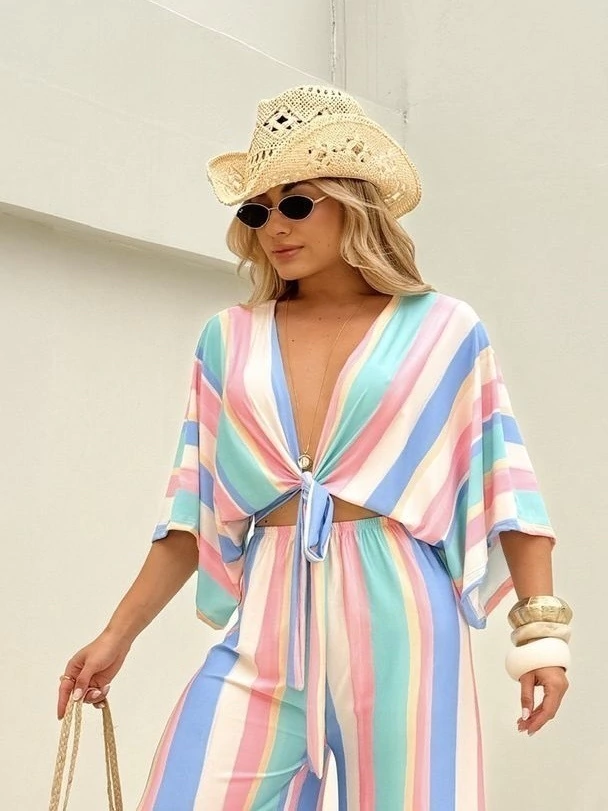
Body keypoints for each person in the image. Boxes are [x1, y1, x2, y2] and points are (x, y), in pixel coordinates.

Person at [57, 85, 571, 810]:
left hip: (400, 618)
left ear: (354, 204)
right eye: (256, 210)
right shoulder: (227, 338)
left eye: (296, 203)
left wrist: (541, 638)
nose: (274, 226)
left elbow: (506, 485)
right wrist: (117, 635)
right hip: (268, 615)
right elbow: (191, 511)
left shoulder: (444, 329)